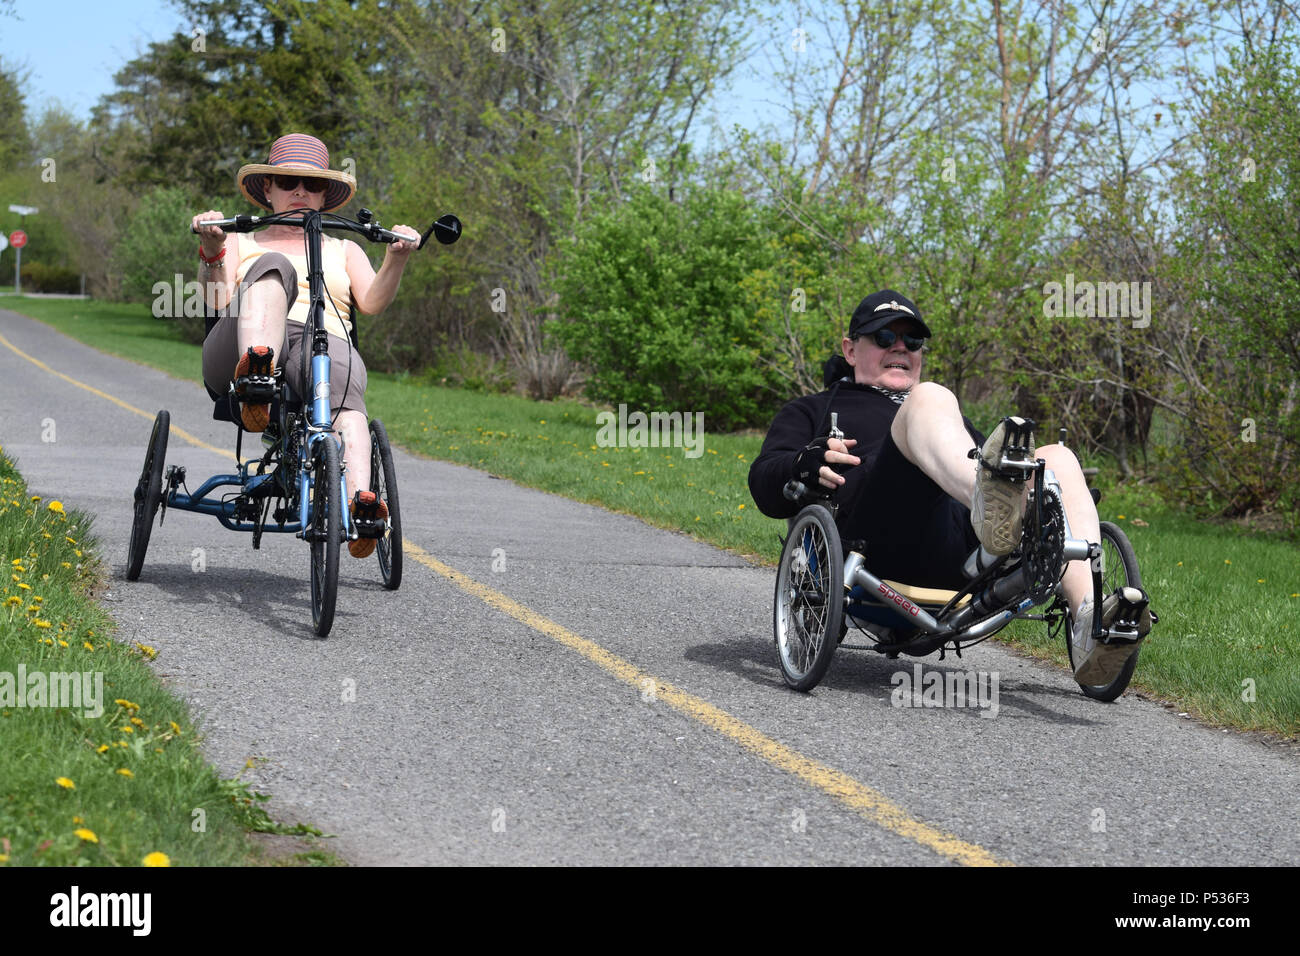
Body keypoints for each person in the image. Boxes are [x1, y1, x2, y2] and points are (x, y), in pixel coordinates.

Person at [748, 289, 1151, 684]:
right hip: (875, 539)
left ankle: (1089, 622)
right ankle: (993, 503)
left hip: (964, 552)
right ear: (850, 350)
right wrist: (805, 462)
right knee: (929, 399)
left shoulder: (947, 418)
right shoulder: (814, 409)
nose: (901, 348)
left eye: (913, 340)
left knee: (1059, 458)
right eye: (884, 338)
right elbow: (763, 478)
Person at [192, 133, 419, 558]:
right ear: (268, 189)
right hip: (240, 345)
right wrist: (211, 248)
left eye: (311, 184)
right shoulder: (242, 240)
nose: (299, 191)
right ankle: (256, 378)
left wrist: (398, 257)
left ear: (324, 196)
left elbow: (371, 302)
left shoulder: (344, 248)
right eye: (288, 181)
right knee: (273, 267)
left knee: (349, 414)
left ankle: (360, 509)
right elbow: (215, 299)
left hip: (322, 346)